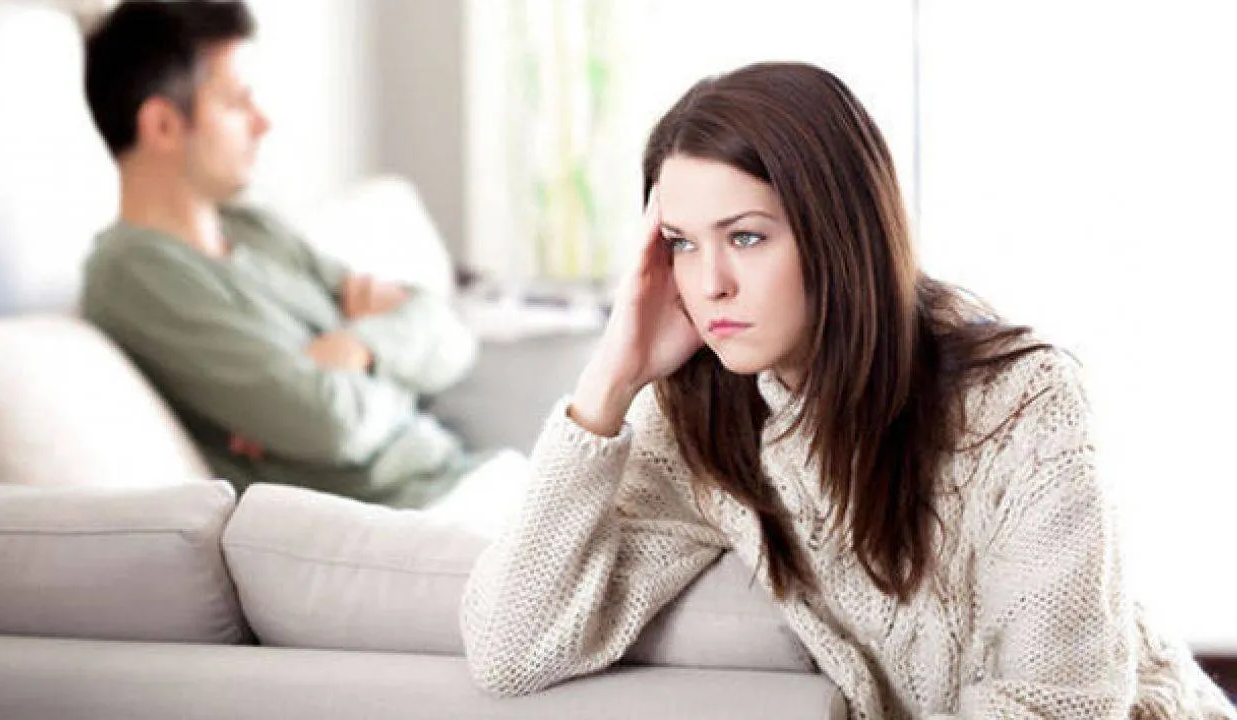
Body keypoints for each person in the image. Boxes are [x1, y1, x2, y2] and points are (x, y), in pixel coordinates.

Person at [460, 62, 1236, 718]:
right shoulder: (703, 419)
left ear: (838, 232)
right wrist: (609, 381)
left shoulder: (1024, 402)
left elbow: (1058, 704)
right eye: (681, 244)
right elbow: (508, 648)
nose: (710, 282)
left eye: (746, 237)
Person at [79, 1, 480, 509]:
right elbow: (330, 425)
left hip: (466, 476)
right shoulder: (133, 274)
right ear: (162, 125)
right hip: (405, 514)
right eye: (236, 103)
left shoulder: (254, 226)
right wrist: (400, 371)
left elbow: (451, 336)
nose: (263, 123)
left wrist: (359, 349)